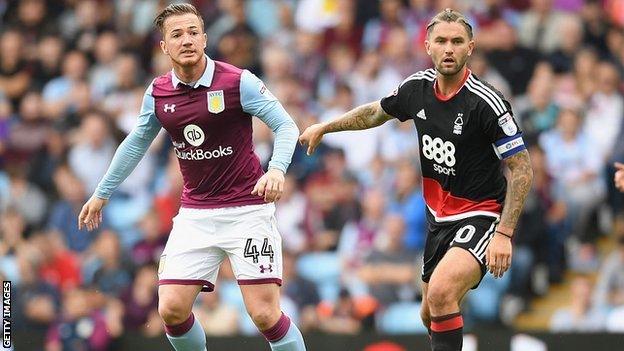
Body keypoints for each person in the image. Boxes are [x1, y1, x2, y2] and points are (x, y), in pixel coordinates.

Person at [299, 9, 533, 351]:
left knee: (440, 294)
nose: (448, 48)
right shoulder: (417, 88)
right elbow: (374, 113)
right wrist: (326, 126)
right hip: (438, 221)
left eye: (457, 41)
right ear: (427, 46)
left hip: (481, 215)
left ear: (471, 47)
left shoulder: (486, 102)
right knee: (429, 313)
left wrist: (504, 234)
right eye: (441, 41)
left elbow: (522, 167)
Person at [78, 4, 305, 351]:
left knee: (264, 315)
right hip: (196, 214)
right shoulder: (158, 93)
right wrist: (101, 193)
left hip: (247, 211)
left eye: (193, 32)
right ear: (164, 47)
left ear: (205, 38)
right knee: (170, 308)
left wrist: (276, 169)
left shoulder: (237, 81)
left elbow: (286, 126)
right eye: (177, 34)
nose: (187, 40)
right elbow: (136, 142)